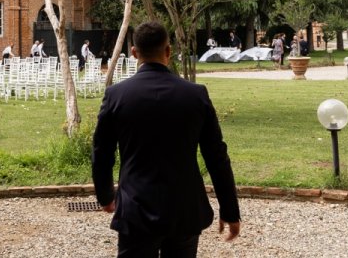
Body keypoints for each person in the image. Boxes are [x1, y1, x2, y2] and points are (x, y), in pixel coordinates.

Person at [92, 21, 241, 257]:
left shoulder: (116, 95)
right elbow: (216, 157)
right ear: (168, 51)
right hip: (183, 208)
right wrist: (230, 211)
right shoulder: (195, 95)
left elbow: (102, 153)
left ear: (134, 53)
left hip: (135, 207)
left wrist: (105, 196)